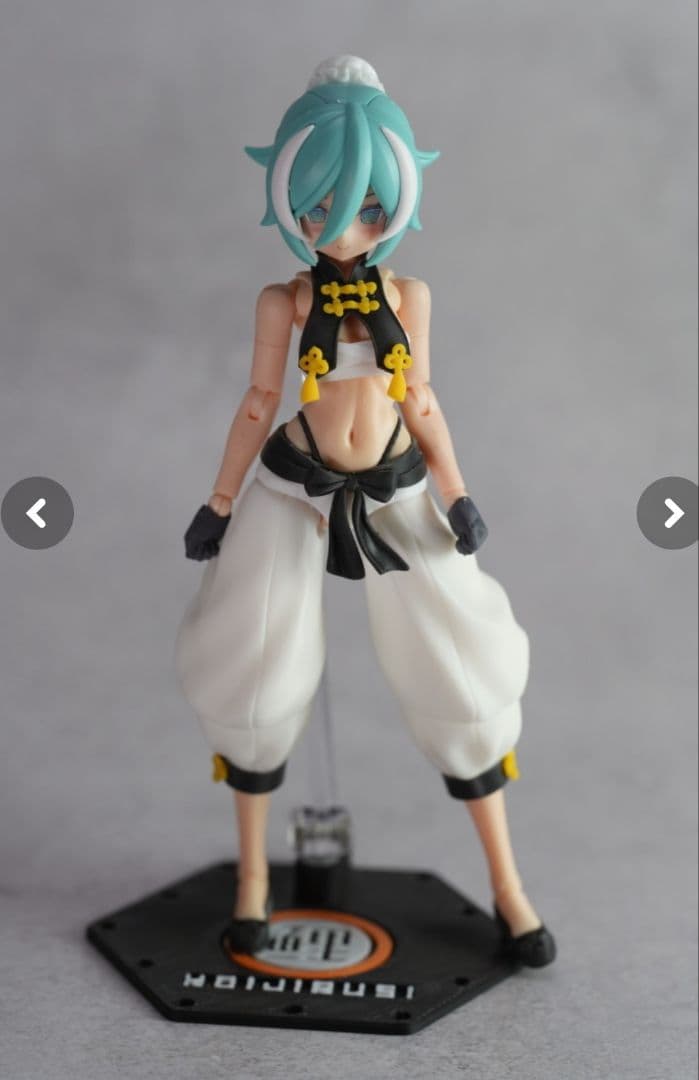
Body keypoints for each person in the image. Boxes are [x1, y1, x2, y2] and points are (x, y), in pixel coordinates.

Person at [176, 56, 556, 967]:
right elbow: (257, 403)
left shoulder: (406, 297)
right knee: (251, 665)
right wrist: (219, 500)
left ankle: (507, 885)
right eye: (319, 208)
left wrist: (457, 491)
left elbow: (419, 400)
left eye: (369, 209)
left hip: (395, 484)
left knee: (463, 666)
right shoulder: (285, 299)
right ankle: (253, 878)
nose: (343, 228)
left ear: (400, 205)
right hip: (291, 481)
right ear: (288, 205)